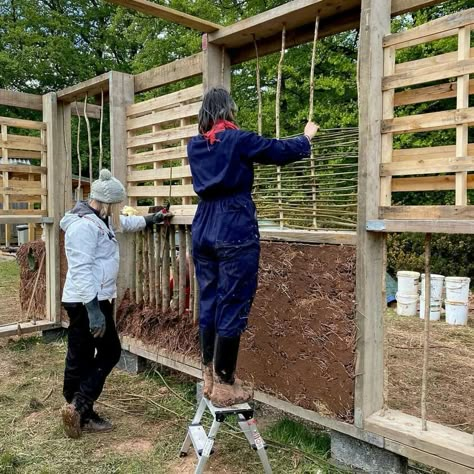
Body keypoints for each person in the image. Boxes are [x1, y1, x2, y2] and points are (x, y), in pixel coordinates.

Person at [188, 87, 319, 407]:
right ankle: (224, 383)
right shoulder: (237, 139)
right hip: (233, 224)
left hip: (203, 223)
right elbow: (276, 151)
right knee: (233, 300)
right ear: (227, 111)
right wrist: (306, 139)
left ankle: (207, 372)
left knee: (209, 299)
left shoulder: (195, 145)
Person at [60, 169, 172, 439]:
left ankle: (78, 411)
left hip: (93, 300)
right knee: (109, 352)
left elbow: (123, 224)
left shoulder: (98, 218)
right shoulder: (82, 227)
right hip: (88, 302)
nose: (118, 209)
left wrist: (151, 219)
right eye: (116, 204)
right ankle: (79, 404)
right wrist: (94, 311)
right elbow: (81, 270)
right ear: (105, 201)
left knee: (82, 353)